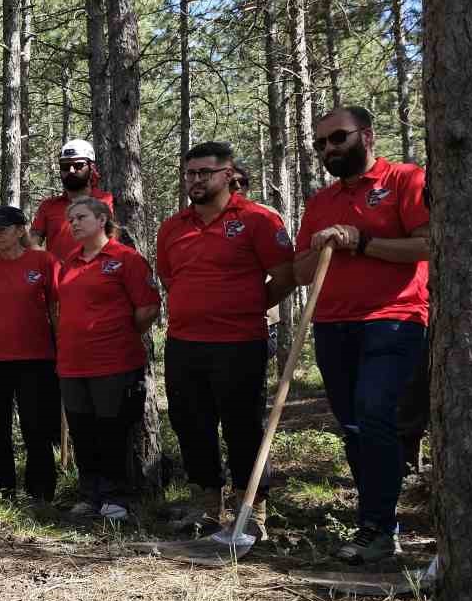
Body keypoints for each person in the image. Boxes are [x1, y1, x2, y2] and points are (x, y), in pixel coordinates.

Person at [295, 106, 429, 564]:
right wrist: (320, 249)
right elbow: (298, 273)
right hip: (332, 322)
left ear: (366, 135)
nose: (328, 149)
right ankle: (374, 521)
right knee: (353, 425)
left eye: (336, 138)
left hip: (394, 317)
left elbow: (430, 243)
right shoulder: (320, 202)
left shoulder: (406, 179)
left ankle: (380, 525)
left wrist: (363, 241)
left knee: (376, 414)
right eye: (319, 144)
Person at [156, 142, 295, 537]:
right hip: (184, 342)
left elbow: (285, 275)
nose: (196, 180)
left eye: (205, 172)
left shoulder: (256, 219)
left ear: (228, 174)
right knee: (191, 424)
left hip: (240, 341)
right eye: (189, 173)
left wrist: (249, 305)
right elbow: (170, 279)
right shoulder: (173, 227)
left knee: (243, 426)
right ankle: (206, 505)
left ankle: (253, 511)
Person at [55, 198, 160, 520]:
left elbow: (147, 309)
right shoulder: (69, 262)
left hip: (115, 362)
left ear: (102, 220)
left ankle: (118, 498)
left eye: (81, 217)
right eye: (71, 219)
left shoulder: (126, 259)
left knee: (113, 431)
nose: (73, 223)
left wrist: (116, 333)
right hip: (73, 364)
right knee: (83, 432)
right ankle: (90, 495)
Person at [0, 206, 61, 503]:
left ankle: (41, 492)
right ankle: (1, 490)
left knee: (36, 427)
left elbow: (57, 305)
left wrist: (63, 346)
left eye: (3, 229)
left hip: (36, 359)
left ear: (21, 230)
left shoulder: (43, 261)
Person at [32, 139, 117, 262]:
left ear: (91, 167)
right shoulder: (48, 206)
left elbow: (116, 240)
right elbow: (32, 242)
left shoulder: (106, 200)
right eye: (65, 166)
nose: (71, 170)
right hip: (59, 279)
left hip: (98, 275)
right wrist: (52, 263)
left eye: (78, 165)